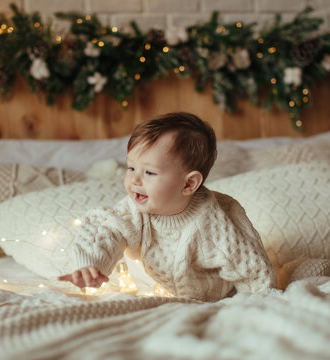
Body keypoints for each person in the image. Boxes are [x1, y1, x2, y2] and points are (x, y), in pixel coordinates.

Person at [58, 112, 276, 301]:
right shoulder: (134, 209)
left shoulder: (215, 221)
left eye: (149, 172)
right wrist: (91, 265)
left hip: (210, 301)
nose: (134, 180)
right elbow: (107, 230)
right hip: (149, 298)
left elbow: (251, 270)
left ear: (189, 183)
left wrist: (256, 304)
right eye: (131, 167)